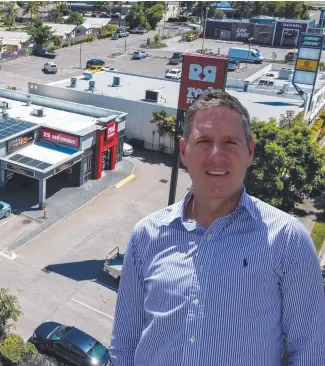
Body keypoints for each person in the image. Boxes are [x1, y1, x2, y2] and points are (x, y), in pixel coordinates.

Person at [110, 90, 325, 366]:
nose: (216, 155)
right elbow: (125, 344)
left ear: (250, 151)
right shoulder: (146, 235)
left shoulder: (287, 240)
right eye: (204, 141)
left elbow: (311, 353)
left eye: (230, 142)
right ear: (184, 151)